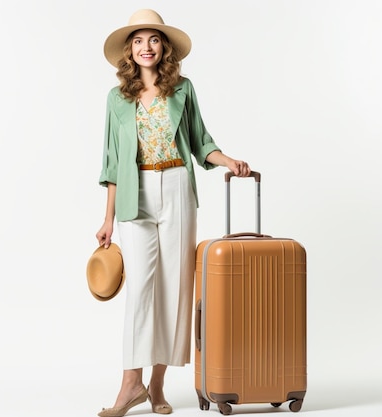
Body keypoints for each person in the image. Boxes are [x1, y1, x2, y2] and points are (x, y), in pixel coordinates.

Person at [95, 9, 251, 417]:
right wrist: (108, 218)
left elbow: (200, 141)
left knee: (175, 287)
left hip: (178, 186)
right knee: (140, 291)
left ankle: (158, 385)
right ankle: (131, 385)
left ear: (164, 48)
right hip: (134, 192)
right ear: (129, 50)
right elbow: (112, 162)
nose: (146, 47)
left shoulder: (182, 89)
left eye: (153, 40)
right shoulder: (117, 98)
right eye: (138, 40)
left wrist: (227, 160)